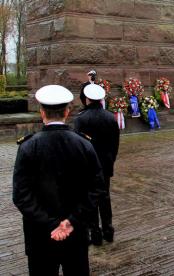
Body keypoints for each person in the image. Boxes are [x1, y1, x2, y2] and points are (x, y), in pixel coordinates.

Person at [13, 85, 104, 276]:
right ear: (67, 111)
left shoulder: (28, 147)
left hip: (40, 236)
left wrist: (50, 224)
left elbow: (21, 196)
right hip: (75, 234)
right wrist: (70, 222)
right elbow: (97, 189)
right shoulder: (84, 144)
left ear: (42, 112)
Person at [74, 84, 120, 245]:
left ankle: (95, 233)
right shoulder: (110, 117)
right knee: (105, 197)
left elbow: (79, 146)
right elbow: (115, 145)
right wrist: (110, 160)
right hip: (105, 164)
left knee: (90, 199)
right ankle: (108, 230)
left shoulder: (80, 119)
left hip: (87, 166)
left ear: (86, 99)